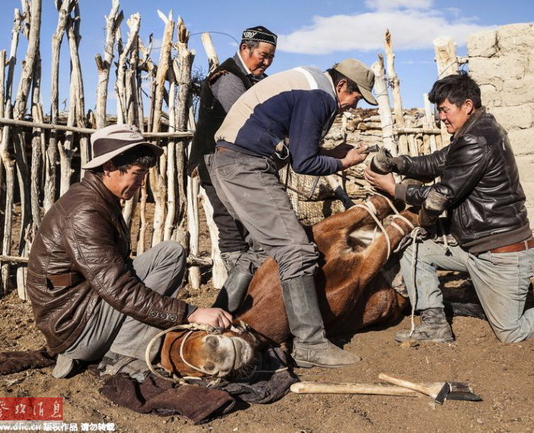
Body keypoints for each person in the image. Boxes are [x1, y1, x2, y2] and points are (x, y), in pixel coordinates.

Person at [364, 71, 534, 344]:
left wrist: (394, 189)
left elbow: (442, 194)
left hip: (501, 253)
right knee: (416, 249)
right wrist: (398, 163)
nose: (441, 117)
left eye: (445, 110)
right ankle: (434, 325)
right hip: (476, 246)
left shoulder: (476, 139)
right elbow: (438, 161)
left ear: (467, 105)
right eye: (439, 111)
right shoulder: (473, 132)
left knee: (511, 331)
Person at [27, 124, 233, 380]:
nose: (142, 182)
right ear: (109, 167)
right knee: (158, 265)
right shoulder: (84, 213)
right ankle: (121, 356)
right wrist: (190, 312)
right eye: (137, 173)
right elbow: (118, 289)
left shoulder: (99, 198)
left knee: (170, 252)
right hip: (75, 326)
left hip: (84, 305)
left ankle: (114, 344)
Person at [209, 58, 377, 368]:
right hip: (246, 166)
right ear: (342, 86)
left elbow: (303, 153)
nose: (354, 106)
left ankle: (213, 321)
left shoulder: (308, 83)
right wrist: (343, 163)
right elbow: (304, 164)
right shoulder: (319, 95)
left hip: (229, 161)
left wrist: (331, 155)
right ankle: (310, 343)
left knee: (262, 247)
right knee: (297, 251)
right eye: (356, 97)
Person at [187, 26, 277, 314]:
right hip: (214, 162)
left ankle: (245, 297)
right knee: (230, 226)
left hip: (235, 164)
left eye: (271, 57)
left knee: (245, 223)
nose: (266, 62)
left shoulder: (253, 80)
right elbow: (248, 118)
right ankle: (232, 304)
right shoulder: (227, 79)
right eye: (263, 55)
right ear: (245, 49)